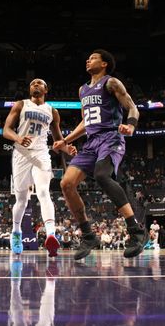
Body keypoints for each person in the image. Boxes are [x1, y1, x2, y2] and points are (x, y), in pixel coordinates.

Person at [52, 50, 146, 260]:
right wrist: (66, 140)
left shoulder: (111, 83)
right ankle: (88, 235)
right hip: (91, 142)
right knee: (66, 183)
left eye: (93, 58)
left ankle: (136, 231)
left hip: (110, 137)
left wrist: (130, 126)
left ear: (104, 64)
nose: (88, 60)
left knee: (102, 175)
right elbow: (86, 122)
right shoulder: (83, 90)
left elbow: (132, 107)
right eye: (87, 58)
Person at [2, 78, 74, 257]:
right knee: (22, 199)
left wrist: (67, 147)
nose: (35, 84)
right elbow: (6, 130)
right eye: (32, 83)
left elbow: (58, 140)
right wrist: (18, 138)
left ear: (45, 89)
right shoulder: (21, 105)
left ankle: (51, 234)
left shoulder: (52, 111)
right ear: (29, 90)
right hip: (21, 153)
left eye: (39, 83)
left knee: (43, 192)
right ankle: (16, 232)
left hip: (41, 153)